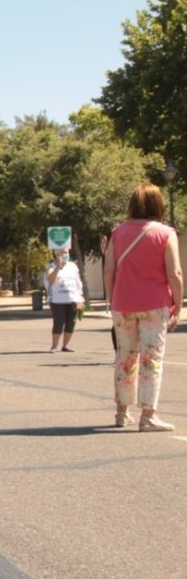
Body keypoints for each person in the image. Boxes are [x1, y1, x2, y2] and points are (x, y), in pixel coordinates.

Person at [103, 183, 183, 431]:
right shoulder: (165, 233)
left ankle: (121, 412)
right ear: (158, 204)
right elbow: (175, 273)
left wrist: (111, 298)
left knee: (125, 358)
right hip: (155, 304)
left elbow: (109, 269)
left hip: (123, 304)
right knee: (151, 359)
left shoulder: (118, 232)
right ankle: (148, 415)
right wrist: (178, 304)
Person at [45, 248, 84, 352]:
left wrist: (80, 298)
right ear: (57, 254)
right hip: (57, 300)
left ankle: (65, 345)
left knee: (71, 323)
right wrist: (58, 266)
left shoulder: (73, 266)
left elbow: (78, 283)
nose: (65, 254)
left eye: (66, 252)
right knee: (58, 323)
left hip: (72, 299)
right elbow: (50, 280)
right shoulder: (51, 266)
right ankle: (54, 346)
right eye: (62, 252)